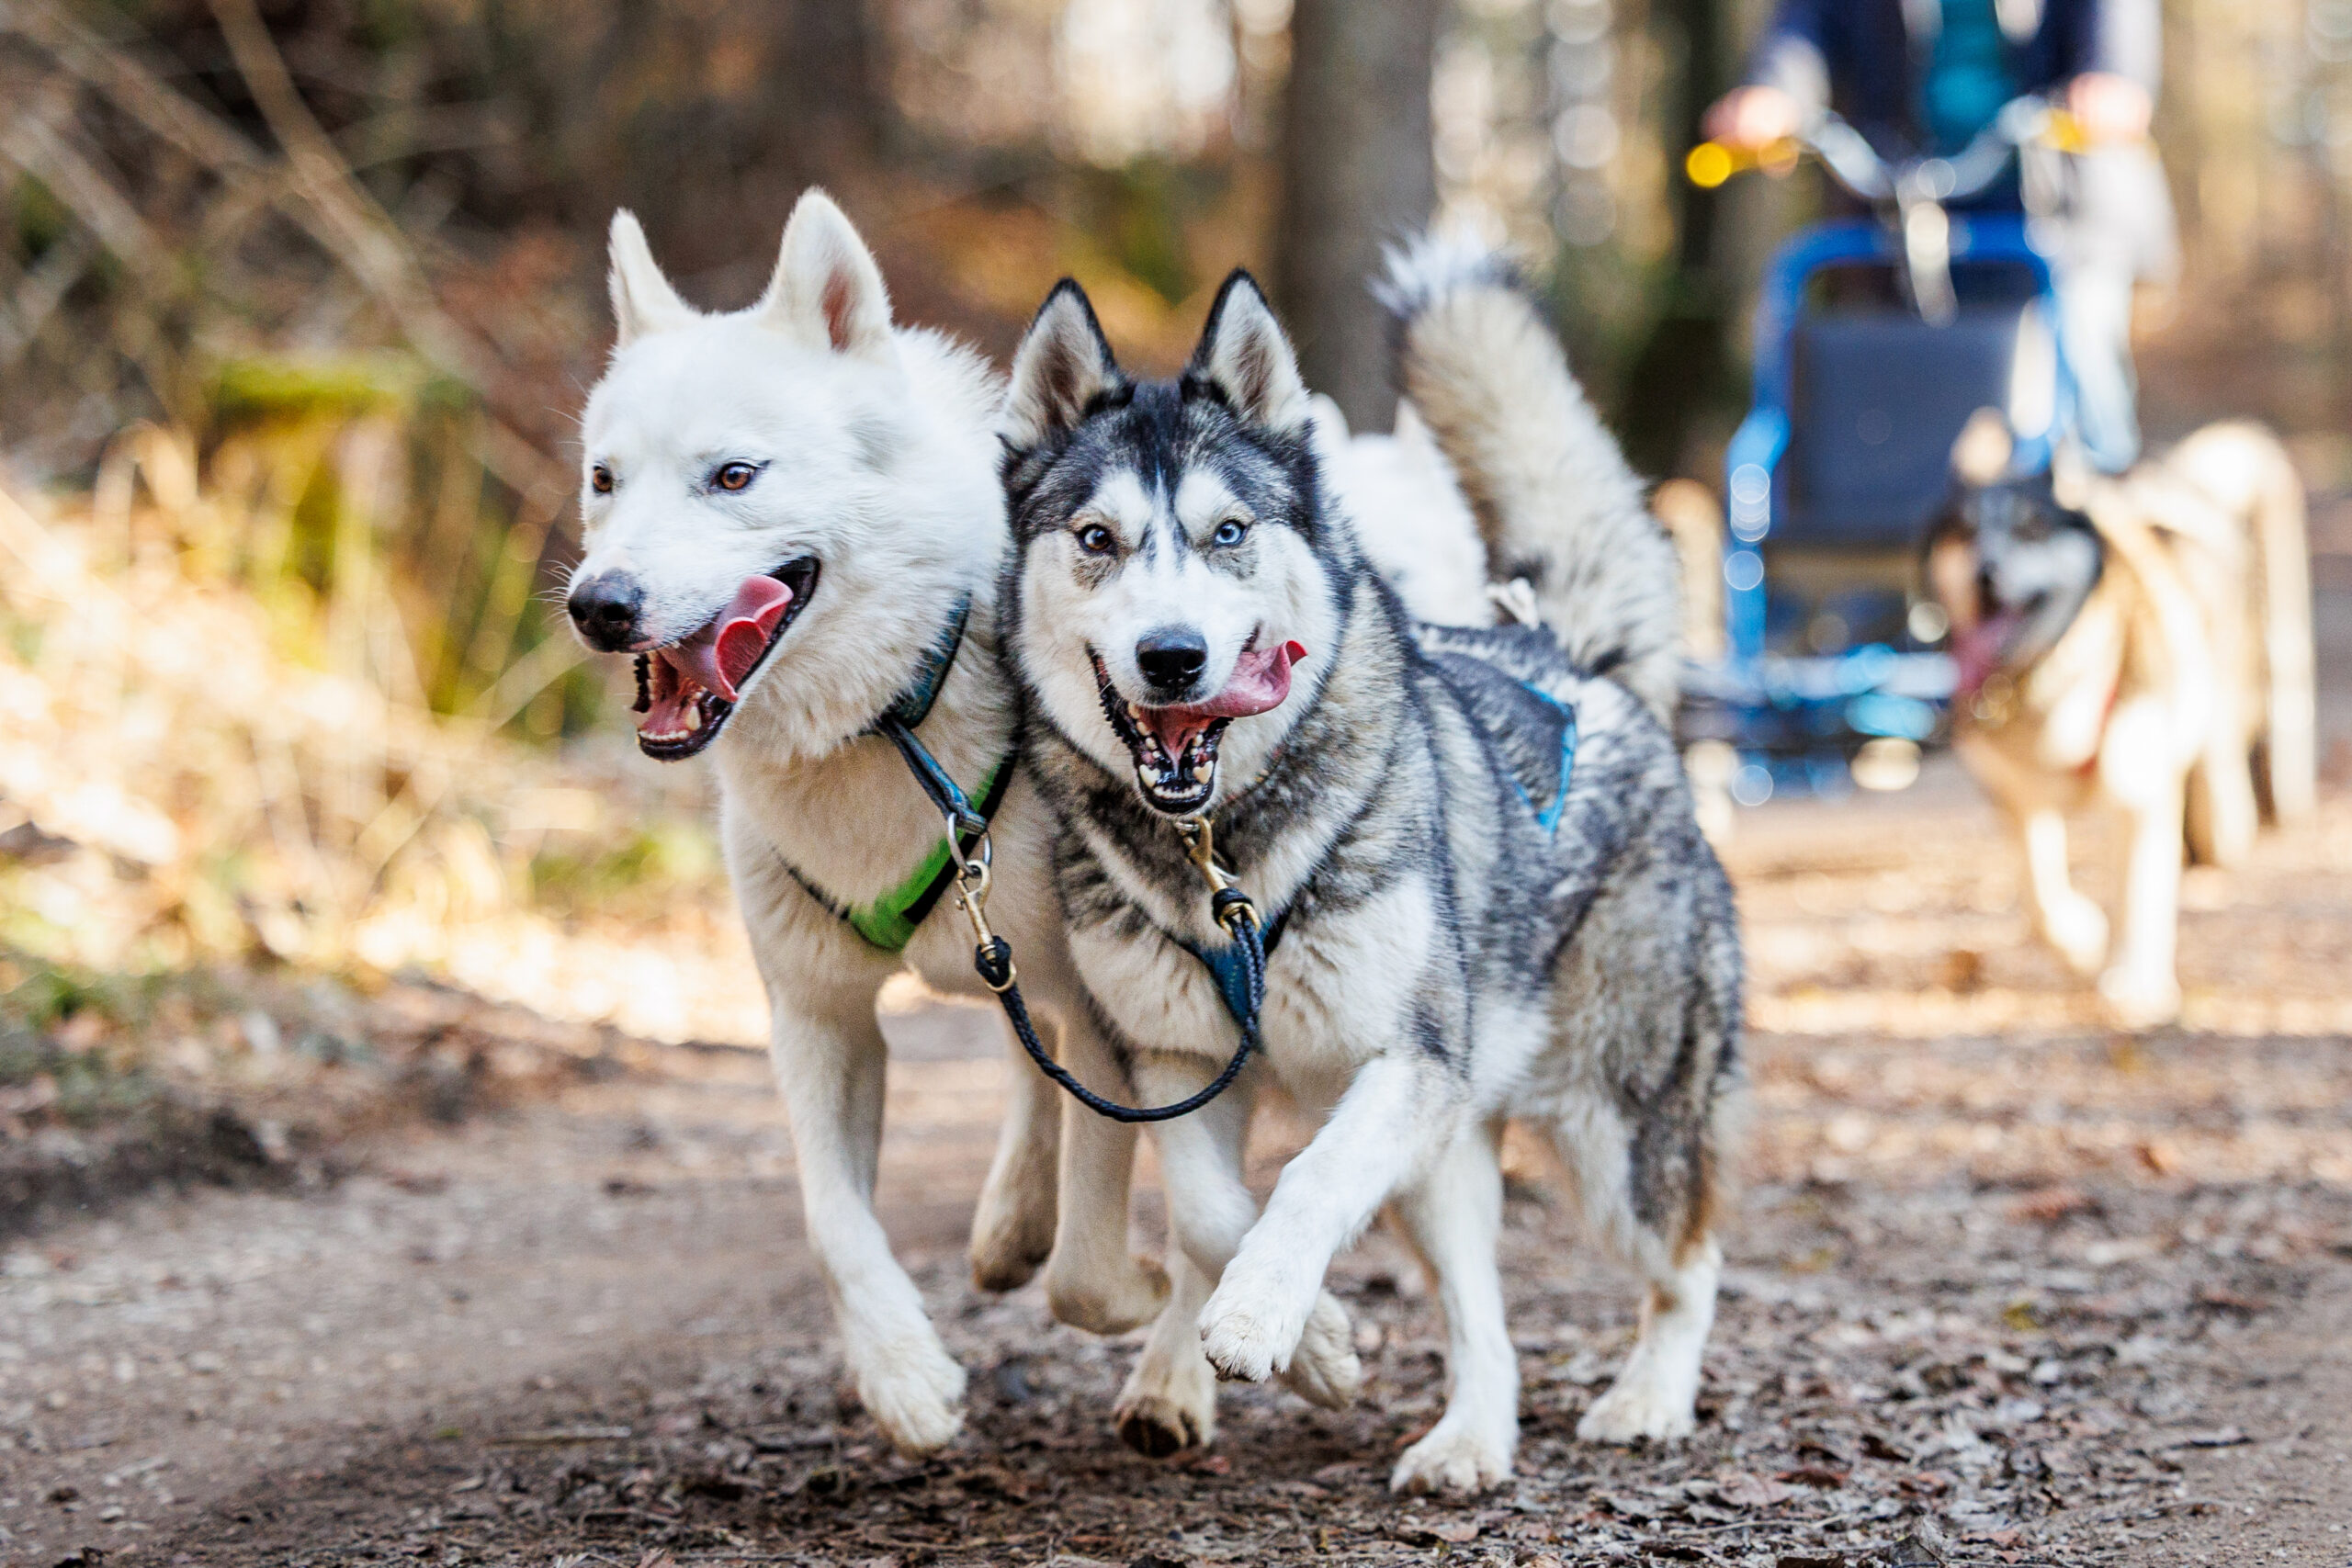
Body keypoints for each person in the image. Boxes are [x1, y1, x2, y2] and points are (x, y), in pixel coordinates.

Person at [1706, 0, 2177, 473]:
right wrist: (1775, 90)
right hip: (1901, 197)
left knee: (2081, 363)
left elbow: (2115, 20)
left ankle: (2107, 511)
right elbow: (1807, 24)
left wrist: (2111, 74)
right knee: (1895, 402)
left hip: (2058, 199)